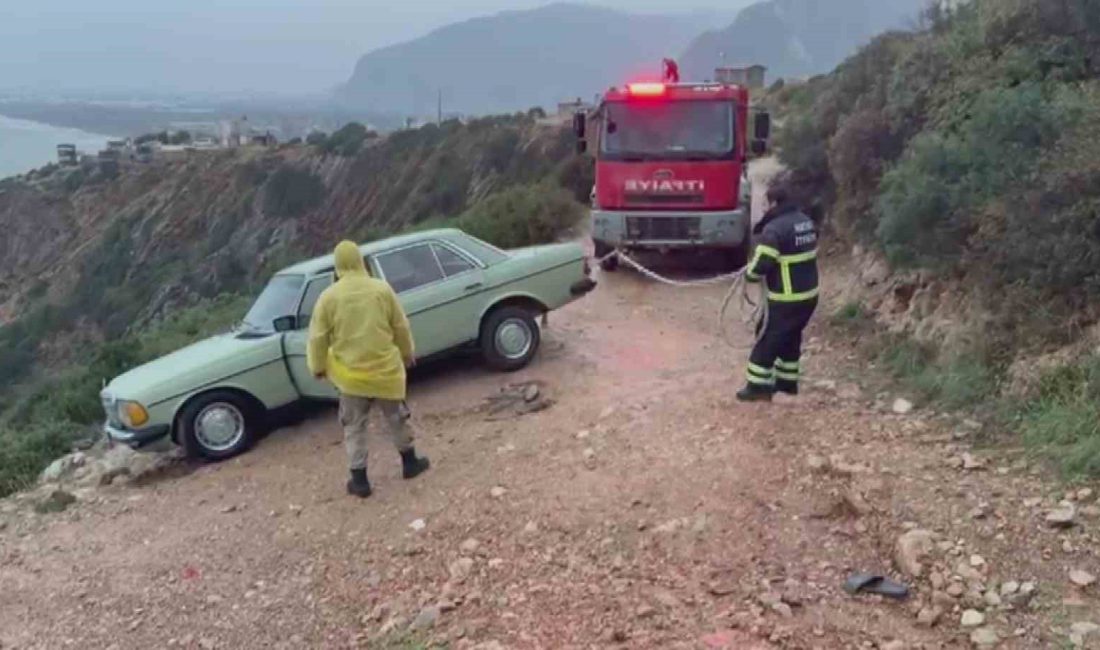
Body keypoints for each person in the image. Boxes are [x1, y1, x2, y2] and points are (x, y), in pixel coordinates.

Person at [307, 240, 431, 498]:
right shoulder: (380, 289)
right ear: (360, 261)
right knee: (396, 418)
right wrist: (407, 353)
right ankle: (410, 463)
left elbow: (318, 338)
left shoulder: (328, 298)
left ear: (338, 265)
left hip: (350, 377)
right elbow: (400, 326)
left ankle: (360, 480)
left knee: (354, 426)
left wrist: (317, 366)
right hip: (385, 372)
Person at [737, 185, 819, 402]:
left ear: (773, 203)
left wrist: (750, 275)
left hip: (786, 297)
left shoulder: (774, 230)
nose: (763, 208)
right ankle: (787, 383)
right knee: (790, 337)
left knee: (767, 338)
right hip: (808, 296)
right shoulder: (805, 221)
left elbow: (763, 262)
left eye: (765, 203)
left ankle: (757, 386)